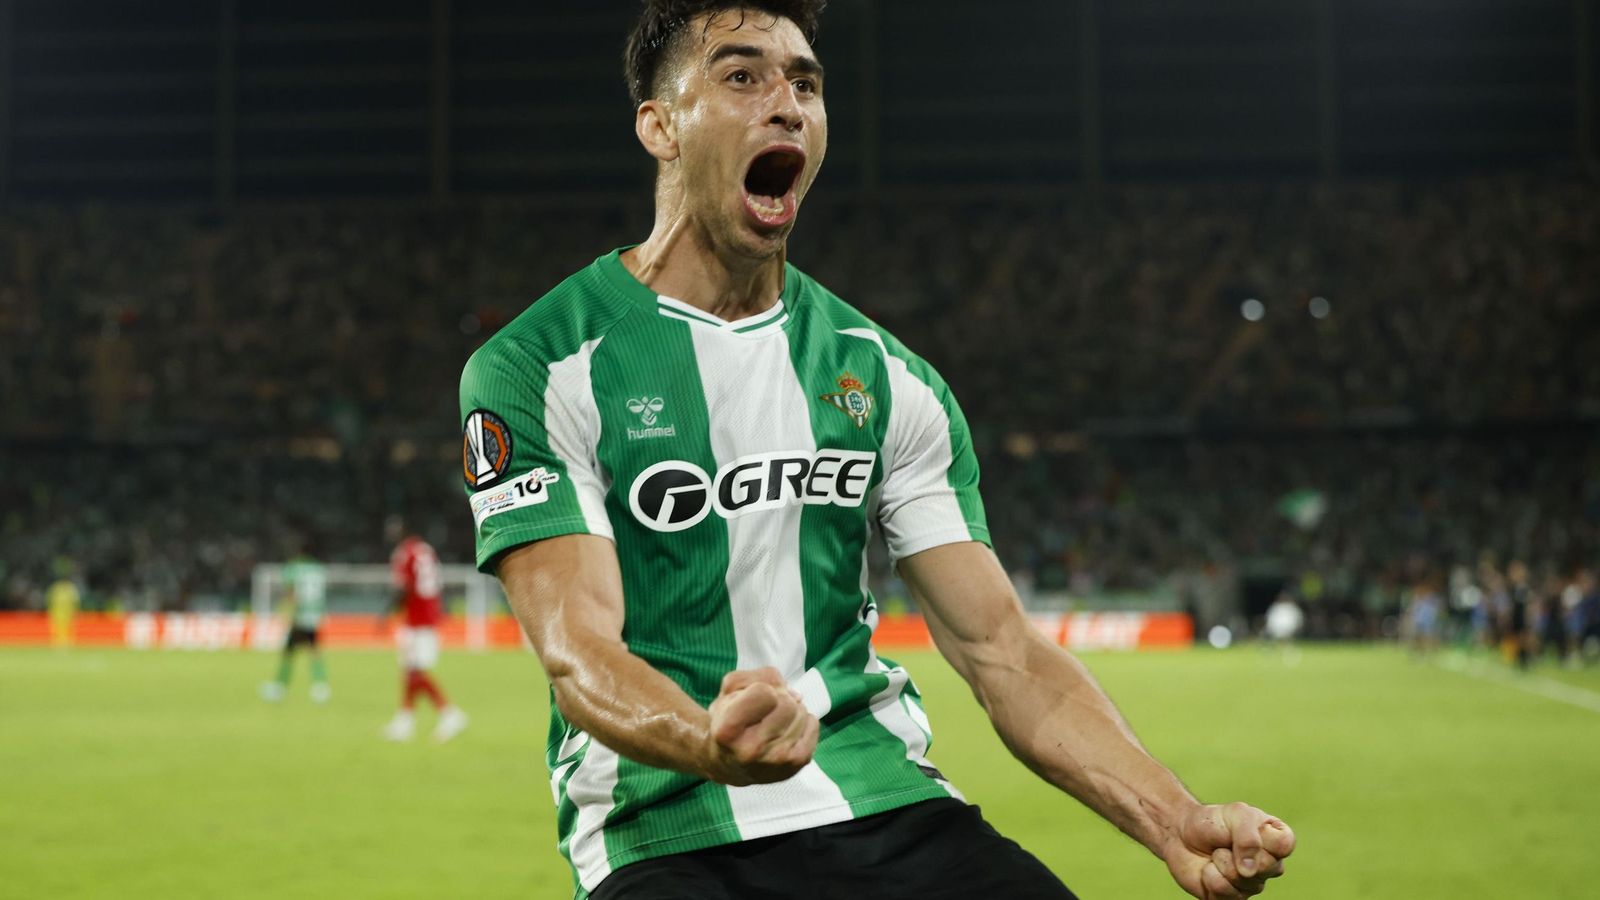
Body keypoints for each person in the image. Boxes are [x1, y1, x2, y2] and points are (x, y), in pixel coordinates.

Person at [457, 3, 1294, 898]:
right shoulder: (537, 368)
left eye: (805, 84)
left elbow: (1001, 649)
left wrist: (1173, 820)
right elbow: (579, 653)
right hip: (664, 830)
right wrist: (712, 743)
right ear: (660, 127)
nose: (786, 105)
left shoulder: (888, 379)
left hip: (885, 803)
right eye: (742, 77)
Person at [380, 516, 468, 742]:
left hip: (416, 618)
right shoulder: (425, 549)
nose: (390, 533)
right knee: (411, 669)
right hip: (429, 615)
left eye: (393, 529)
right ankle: (405, 721)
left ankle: (449, 713)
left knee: (415, 671)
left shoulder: (404, 553)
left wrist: (386, 613)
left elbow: (405, 587)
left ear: (403, 531)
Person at [259, 545, 332, 703]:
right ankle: (321, 687)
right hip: (315, 615)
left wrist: (288, 611)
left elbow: (292, 593)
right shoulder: (318, 569)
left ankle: (279, 687)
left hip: (301, 615)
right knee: (313, 650)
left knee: (289, 652)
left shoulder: (294, 568)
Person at [46, 559, 81, 650]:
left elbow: (75, 601)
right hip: (58, 612)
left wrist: (75, 610)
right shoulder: (59, 587)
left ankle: (67, 643)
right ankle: (59, 643)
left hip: (67, 612)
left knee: (68, 627)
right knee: (58, 628)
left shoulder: (67, 587)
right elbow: (50, 600)